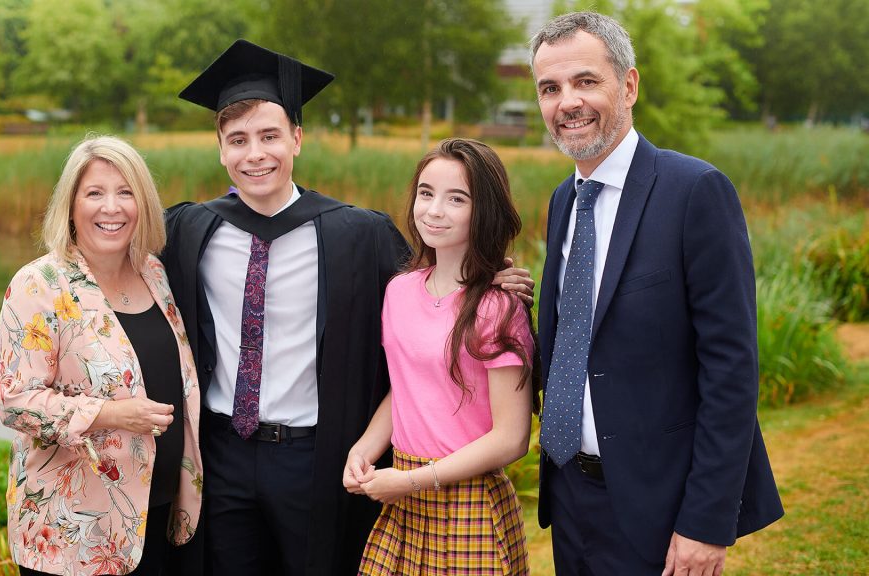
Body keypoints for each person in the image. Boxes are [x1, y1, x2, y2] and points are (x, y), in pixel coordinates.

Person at [163, 40, 534, 576]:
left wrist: (490, 277)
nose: (255, 153)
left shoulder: (358, 235)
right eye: (237, 140)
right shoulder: (191, 230)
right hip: (222, 456)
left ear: (297, 138)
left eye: (270, 136)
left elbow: (439, 287)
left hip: (314, 457)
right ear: (220, 149)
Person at [528, 12, 784, 576]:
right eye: (550, 88)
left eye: (585, 81)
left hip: (662, 505)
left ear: (629, 84)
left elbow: (732, 370)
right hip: (571, 497)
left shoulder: (695, 192)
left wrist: (705, 521)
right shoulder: (563, 202)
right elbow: (581, 333)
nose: (566, 101)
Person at [0, 135, 202, 576]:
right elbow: (15, 402)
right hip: (74, 532)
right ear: (70, 206)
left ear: (143, 204)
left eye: (126, 192)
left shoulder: (155, 273)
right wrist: (110, 414)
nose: (112, 207)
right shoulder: (39, 285)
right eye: (95, 193)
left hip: (156, 517)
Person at [344, 138, 539, 575]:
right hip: (405, 500)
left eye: (457, 199)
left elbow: (512, 438)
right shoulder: (399, 290)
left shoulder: (497, 306)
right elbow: (408, 389)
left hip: (467, 500)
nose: (434, 210)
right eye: (426, 192)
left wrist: (411, 480)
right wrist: (365, 449)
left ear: (484, 210)